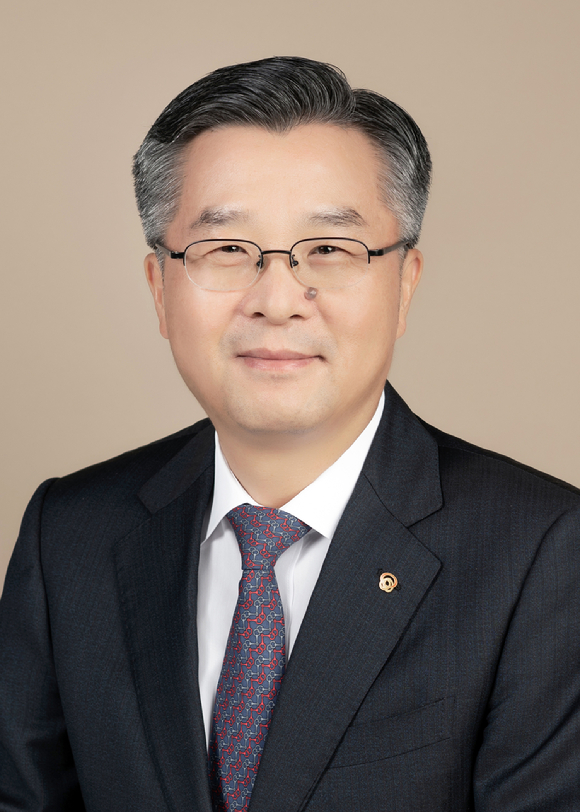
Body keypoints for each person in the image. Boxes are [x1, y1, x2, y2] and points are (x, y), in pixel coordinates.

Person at [0, 56, 579, 812]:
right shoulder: (70, 533)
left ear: (405, 284)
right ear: (159, 289)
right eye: (226, 249)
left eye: (330, 250)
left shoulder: (542, 552)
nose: (277, 300)